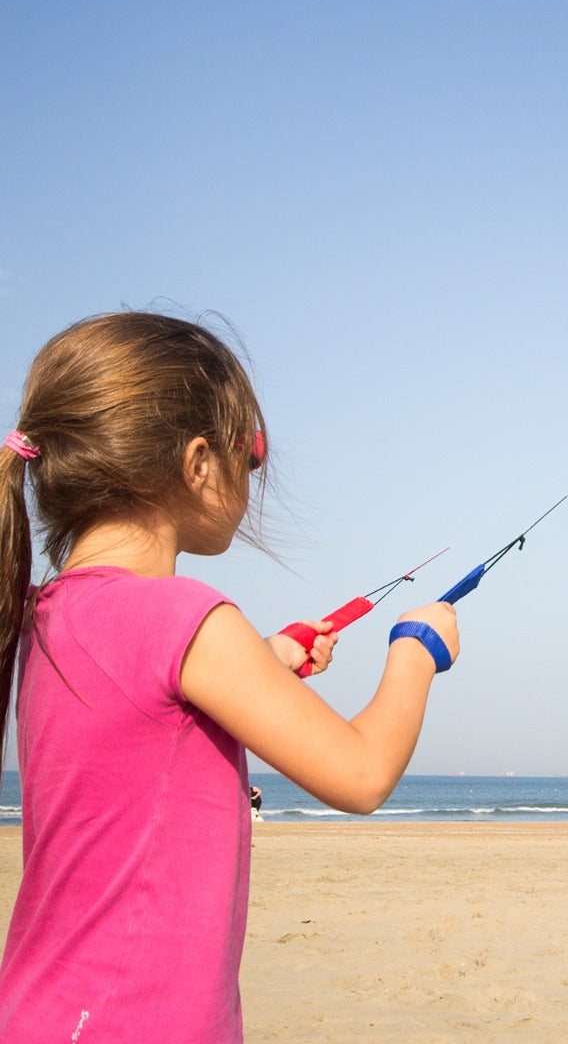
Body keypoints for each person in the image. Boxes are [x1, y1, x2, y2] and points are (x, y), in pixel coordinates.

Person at [0, 311, 461, 1042]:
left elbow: (138, 714)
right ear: (197, 463)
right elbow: (362, 774)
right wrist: (416, 647)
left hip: (45, 1013)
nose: (253, 480)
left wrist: (267, 656)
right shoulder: (184, 614)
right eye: (250, 458)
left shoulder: (41, 618)